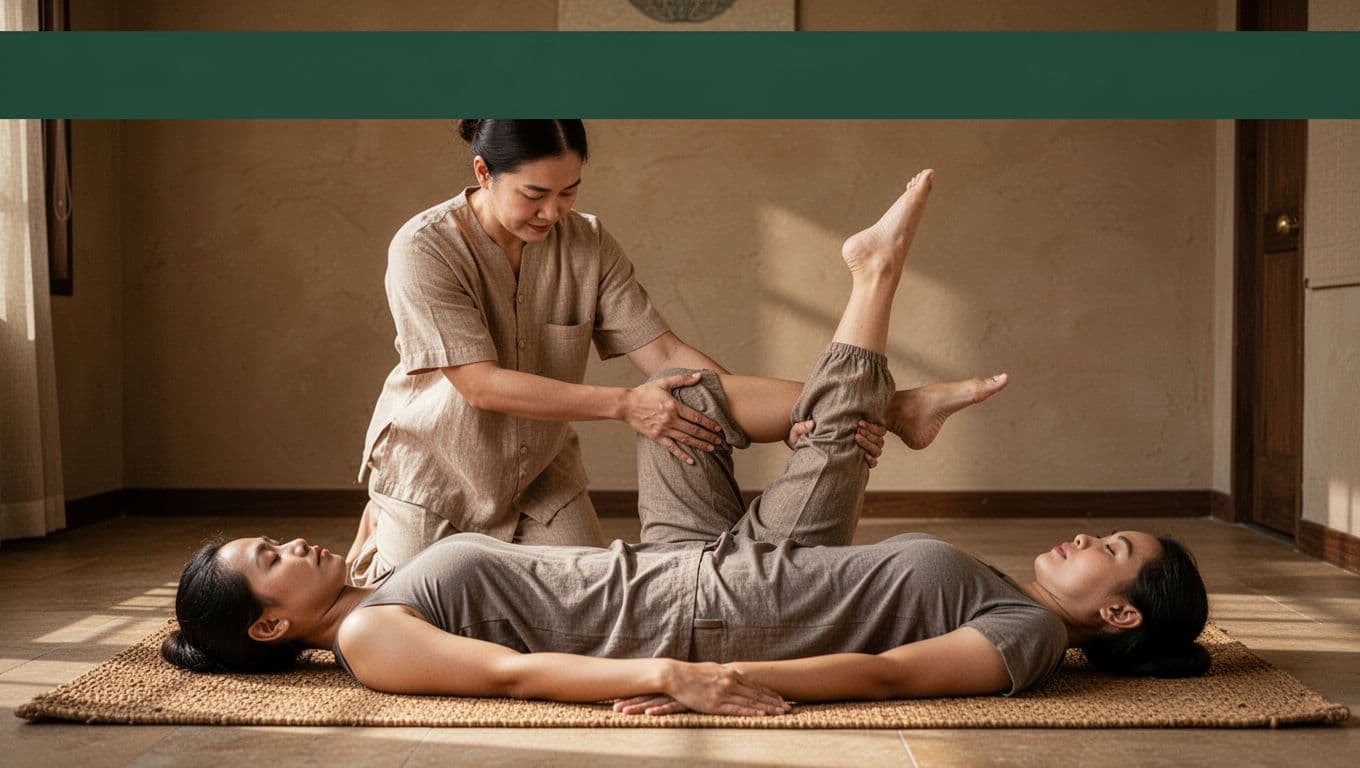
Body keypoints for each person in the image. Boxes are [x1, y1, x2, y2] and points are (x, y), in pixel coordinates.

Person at [166, 171, 1210, 715]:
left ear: (1117, 614)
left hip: (686, 576)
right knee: (773, 425)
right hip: (724, 604)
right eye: (270, 559)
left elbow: (895, 669)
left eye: (1111, 549)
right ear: (271, 626)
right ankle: (874, 297)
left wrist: (688, 665)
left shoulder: (1028, 633)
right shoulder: (368, 642)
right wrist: (684, 677)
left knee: (679, 391)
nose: (291, 545)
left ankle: (881, 374)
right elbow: (517, 679)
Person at [348, 120, 1005, 586]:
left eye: (569, 191)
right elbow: (480, 384)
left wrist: (796, 419)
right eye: (534, 195)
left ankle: (874, 405)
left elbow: (666, 354)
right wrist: (625, 405)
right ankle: (887, 405)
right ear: (483, 173)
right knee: (407, 613)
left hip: (540, 482)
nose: (553, 213)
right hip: (436, 477)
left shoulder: (586, 242)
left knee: (594, 604)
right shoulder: (424, 247)